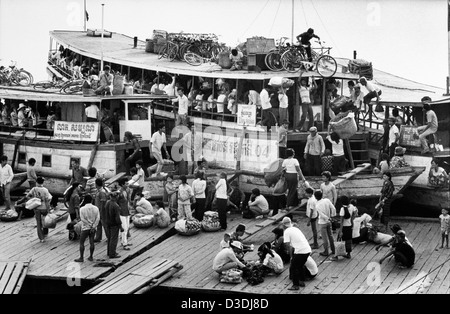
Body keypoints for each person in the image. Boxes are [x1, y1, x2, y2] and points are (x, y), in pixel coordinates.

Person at [282, 217, 312, 290]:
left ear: (284, 225)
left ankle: (295, 285)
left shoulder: (286, 231)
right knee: (300, 266)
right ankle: (301, 281)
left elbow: (287, 245)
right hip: (307, 250)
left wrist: (290, 255)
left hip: (300, 251)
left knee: (294, 267)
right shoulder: (296, 229)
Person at [24, 177, 52, 242]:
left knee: (38, 223)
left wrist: (33, 199)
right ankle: (45, 233)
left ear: (36, 182)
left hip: (37, 208)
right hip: (44, 207)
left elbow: (27, 196)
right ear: (43, 182)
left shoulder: (34, 189)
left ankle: (41, 238)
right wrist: (49, 209)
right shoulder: (45, 190)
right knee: (45, 220)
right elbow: (47, 200)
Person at [74, 195, 100, 263]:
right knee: (91, 242)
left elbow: (82, 219)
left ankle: (81, 257)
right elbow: (97, 218)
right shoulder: (96, 208)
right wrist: (93, 226)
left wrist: (89, 225)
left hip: (85, 227)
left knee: (82, 242)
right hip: (93, 228)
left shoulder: (82, 209)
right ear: (91, 200)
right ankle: (91, 256)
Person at [334, 196, 357, 260]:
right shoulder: (352, 206)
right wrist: (352, 220)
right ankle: (348, 254)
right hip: (349, 226)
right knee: (348, 240)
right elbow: (355, 213)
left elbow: (341, 221)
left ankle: (336, 255)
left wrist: (340, 231)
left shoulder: (342, 209)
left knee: (339, 239)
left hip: (344, 227)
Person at [315, 190, 336, 257]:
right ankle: (333, 250)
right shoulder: (327, 200)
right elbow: (333, 208)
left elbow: (322, 214)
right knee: (330, 236)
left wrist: (327, 218)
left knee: (324, 238)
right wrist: (332, 216)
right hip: (328, 221)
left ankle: (326, 251)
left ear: (316, 197)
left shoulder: (317, 205)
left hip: (322, 222)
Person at [104, 192, 124, 259]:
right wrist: (120, 226)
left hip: (107, 222)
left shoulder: (107, 202)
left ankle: (109, 252)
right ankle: (112, 253)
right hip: (114, 224)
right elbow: (117, 218)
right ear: (116, 197)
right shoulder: (116, 206)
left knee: (109, 238)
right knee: (114, 239)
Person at [94, 178, 109, 243]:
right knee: (98, 224)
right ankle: (98, 237)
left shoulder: (101, 192)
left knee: (105, 225)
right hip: (98, 210)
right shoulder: (98, 191)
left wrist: (101, 212)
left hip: (102, 210)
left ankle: (109, 237)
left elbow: (103, 203)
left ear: (96, 184)